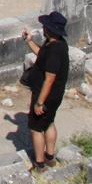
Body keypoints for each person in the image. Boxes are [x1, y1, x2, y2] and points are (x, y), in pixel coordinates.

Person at [22, 12, 70, 172]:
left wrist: (39, 103)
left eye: (45, 26)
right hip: (54, 96)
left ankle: (39, 164)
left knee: (36, 129)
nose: (43, 28)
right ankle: (50, 157)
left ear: (50, 29)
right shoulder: (57, 44)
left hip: (46, 96)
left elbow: (49, 79)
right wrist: (29, 41)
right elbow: (41, 54)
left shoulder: (55, 51)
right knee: (49, 123)